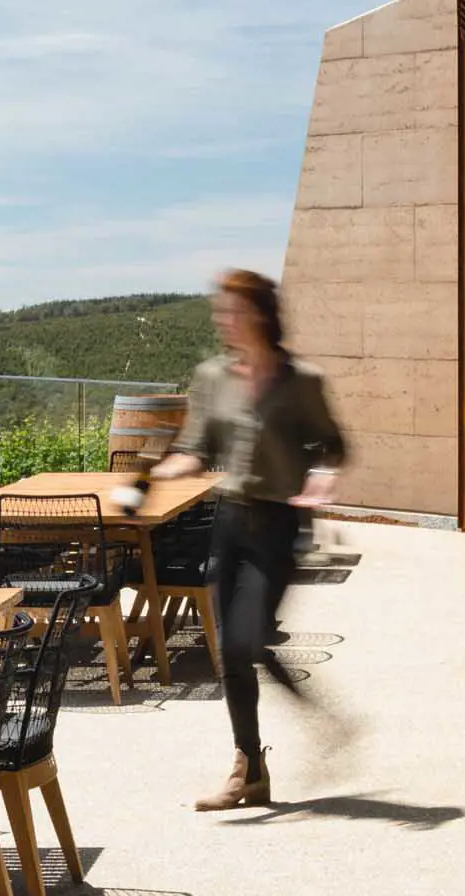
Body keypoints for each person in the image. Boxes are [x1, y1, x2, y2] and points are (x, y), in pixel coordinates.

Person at [145, 268, 347, 810]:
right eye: (219, 311)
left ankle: (321, 721)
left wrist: (322, 476)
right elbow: (195, 446)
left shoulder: (300, 380)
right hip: (231, 521)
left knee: (246, 641)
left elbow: (332, 444)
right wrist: (163, 472)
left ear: (259, 312)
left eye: (231, 309)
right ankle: (248, 769)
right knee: (230, 652)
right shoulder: (213, 376)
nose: (222, 320)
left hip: (279, 525)